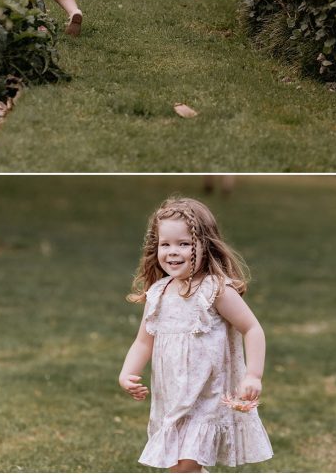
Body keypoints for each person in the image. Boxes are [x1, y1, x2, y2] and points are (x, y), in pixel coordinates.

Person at [119, 197, 273, 472]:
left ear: (205, 245)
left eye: (184, 244)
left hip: (206, 399)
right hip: (173, 399)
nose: (173, 252)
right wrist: (127, 373)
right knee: (178, 465)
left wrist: (253, 375)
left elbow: (252, 328)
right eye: (165, 244)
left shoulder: (215, 290)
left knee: (182, 467)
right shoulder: (159, 293)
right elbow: (143, 341)